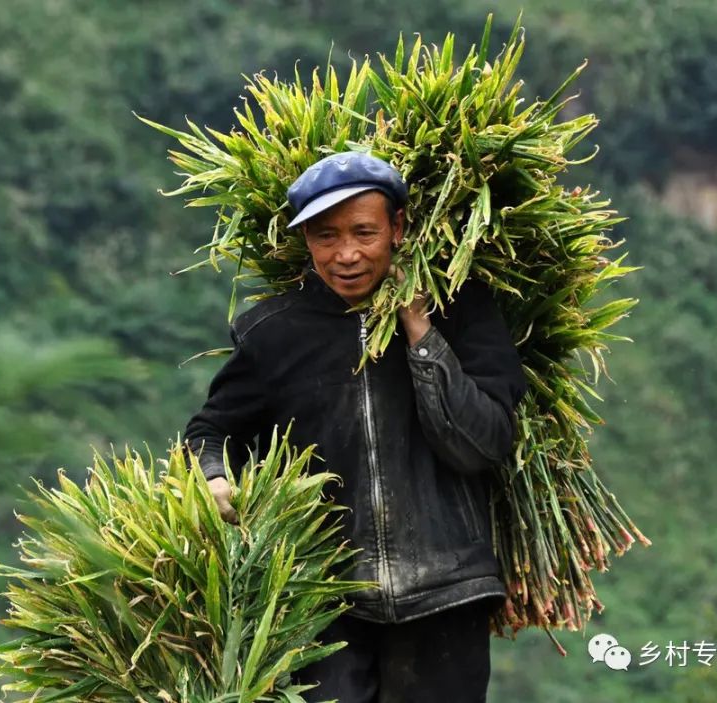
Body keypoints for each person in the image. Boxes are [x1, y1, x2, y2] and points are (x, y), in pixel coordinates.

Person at [183, 151, 527, 702]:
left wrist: (421, 331)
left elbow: (481, 444)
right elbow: (211, 430)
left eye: (364, 232)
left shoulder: (462, 311)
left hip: (446, 591)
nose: (346, 255)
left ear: (397, 228)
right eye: (325, 237)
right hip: (324, 602)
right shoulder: (273, 333)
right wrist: (214, 474)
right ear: (305, 242)